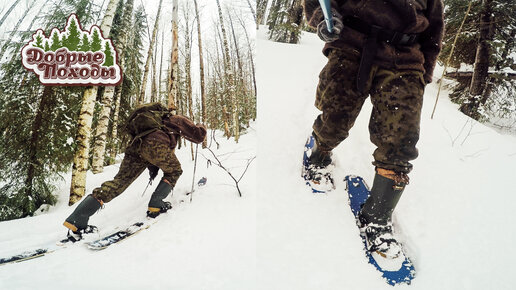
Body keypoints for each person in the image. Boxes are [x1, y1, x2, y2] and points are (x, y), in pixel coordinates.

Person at [303, 0, 444, 258]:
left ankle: (377, 218)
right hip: (352, 43)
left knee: (401, 140)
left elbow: (434, 28)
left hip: (406, 58)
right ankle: (319, 153)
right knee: (336, 118)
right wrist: (323, 18)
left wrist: (425, 71)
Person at [63, 103, 207, 241]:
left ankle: (78, 218)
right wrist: (201, 126)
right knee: (174, 171)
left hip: (135, 147)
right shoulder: (176, 119)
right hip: (154, 144)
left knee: (119, 182)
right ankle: (156, 204)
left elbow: (151, 153)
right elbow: (198, 136)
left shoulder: (152, 122)